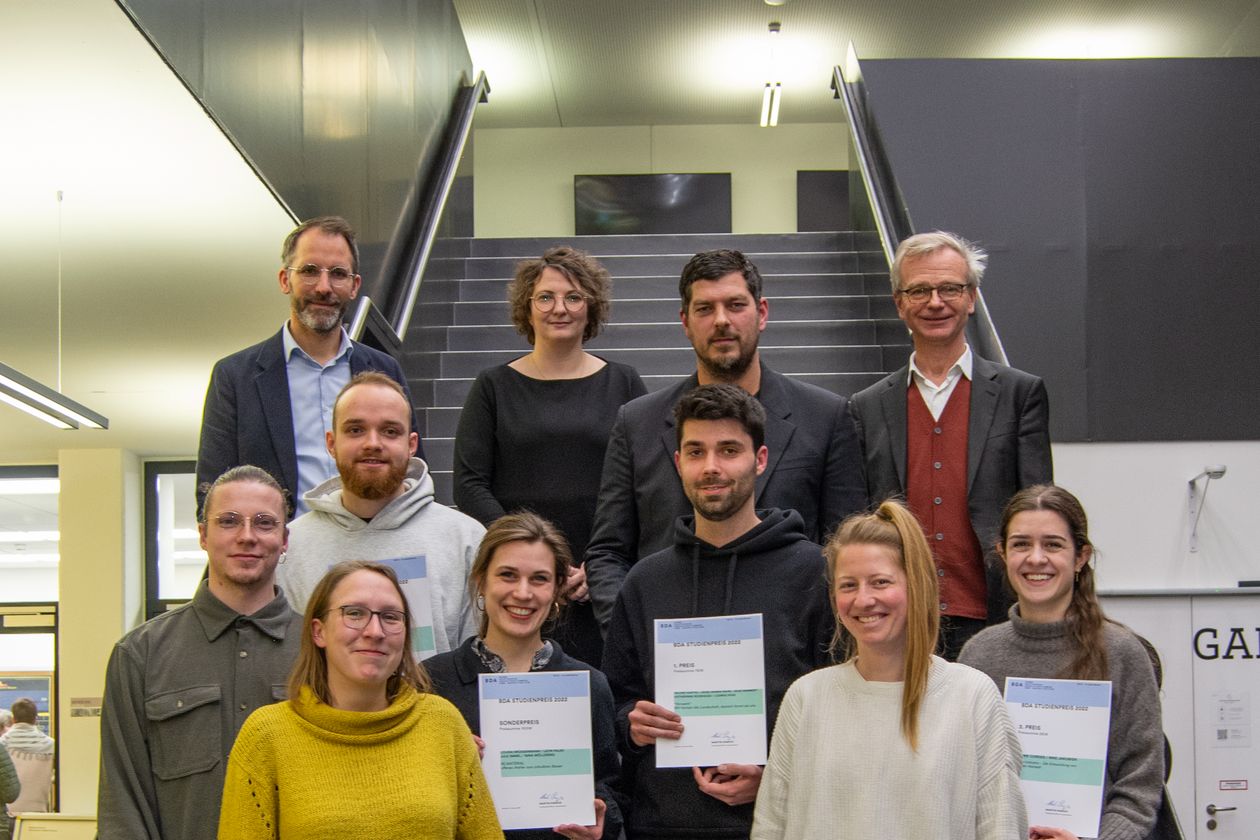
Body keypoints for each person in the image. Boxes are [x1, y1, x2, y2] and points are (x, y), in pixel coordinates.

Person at [586, 248, 867, 631]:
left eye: (735, 305)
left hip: (793, 654)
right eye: (704, 309)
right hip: (669, 654)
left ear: (762, 312)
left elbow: (848, 550)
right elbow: (608, 553)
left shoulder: (827, 416)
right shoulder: (637, 423)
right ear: (685, 321)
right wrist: (634, 638)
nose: (721, 321)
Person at [602, 384, 834, 840]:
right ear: (677, 463)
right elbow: (616, 703)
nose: (711, 467)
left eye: (729, 450)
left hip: (779, 823)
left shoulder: (815, 573)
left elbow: (839, 712)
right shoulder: (645, 582)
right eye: (696, 451)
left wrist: (778, 781)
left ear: (760, 459)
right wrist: (632, 725)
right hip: (664, 824)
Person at [751, 498, 1027, 840]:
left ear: (917, 585)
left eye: (880, 582)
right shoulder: (806, 698)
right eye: (848, 585)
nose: (863, 600)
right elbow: (770, 826)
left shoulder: (971, 696)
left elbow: (1000, 827)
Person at [850, 231, 1053, 659]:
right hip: (900, 621)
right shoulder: (866, 408)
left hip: (995, 615)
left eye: (949, 288)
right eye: (919, 290)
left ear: (972, 297)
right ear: (899, 302)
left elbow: (1038, 510)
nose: (935, 302)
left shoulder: (1020, 395)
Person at [454, 246, 646, 666]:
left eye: (573, 297)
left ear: (590, 307)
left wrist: (597, 567)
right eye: (546, 297)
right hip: (519, 583)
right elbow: (469, 483)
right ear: (527, 306)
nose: (559, 308)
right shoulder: (492, 386)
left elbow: (644, 481)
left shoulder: (624, 382)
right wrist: (530, 560)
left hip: (598, 581)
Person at [218, 560, 502, 839]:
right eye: (354, 613)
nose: (374, 632)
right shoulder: (268, 735)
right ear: (318, 631)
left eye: (390, 617)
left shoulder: (442, 723)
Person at [98, 466, 302, 840]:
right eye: (228, 522)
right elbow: (122, 807)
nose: (247, 536)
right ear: (203, 536)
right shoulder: (140, 655)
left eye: (264, 523)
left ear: (285, 539)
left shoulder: (321, 650)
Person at [960, 485, 1164, 840]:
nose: (1036, 558)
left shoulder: (1123, 653)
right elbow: (963, 775)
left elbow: (1140, 784)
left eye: (1053, 544)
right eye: (1021, 544)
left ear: (1080, 556)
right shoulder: (978, 656)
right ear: (1002, 553)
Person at [196, 215, 418, 517]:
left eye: (338, 274)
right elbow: (212, 491)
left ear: (354, 287)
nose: (324, 287)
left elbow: (412, 471)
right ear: (285, 279)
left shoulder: (384, 369)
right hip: (282, 555)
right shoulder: (235, 377)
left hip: (371, 552)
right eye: (310, 271)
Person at [426, 512, 623, 840]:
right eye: (507, 575)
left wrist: (603, 821)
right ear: (480, 580)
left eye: (539, 579)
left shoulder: (588, 684)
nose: (522, 593)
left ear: (558, 589)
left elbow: (610, 789)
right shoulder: (431, 682)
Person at [278, 372, 482, 655]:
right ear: (331, 443)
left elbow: (481, 658)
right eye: (355, 430)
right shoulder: (291, 545)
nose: (372, 443)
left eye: (390, 431)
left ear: (411, 445)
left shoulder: (467, 540)